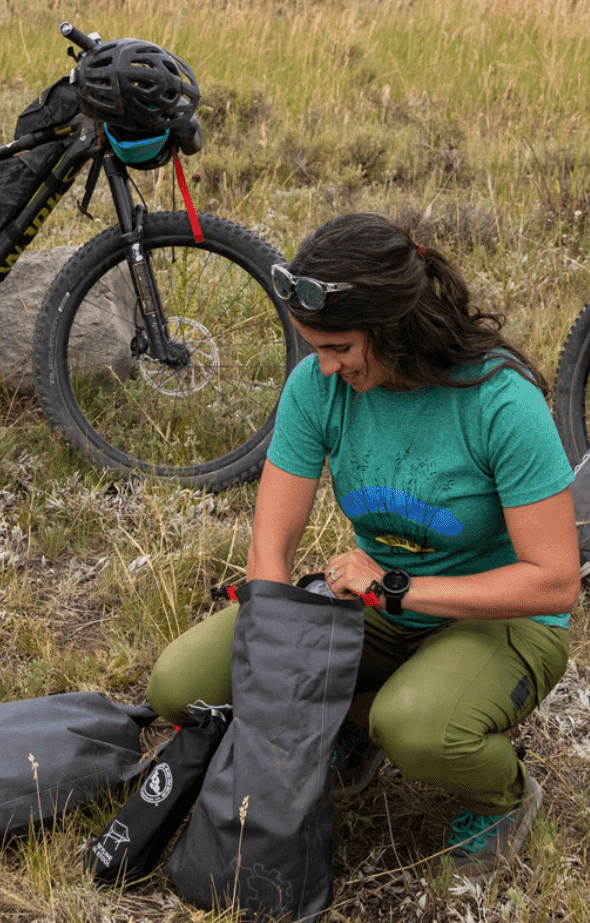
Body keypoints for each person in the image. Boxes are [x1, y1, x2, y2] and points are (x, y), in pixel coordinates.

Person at [147, 213, 580, 885]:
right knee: (179, 685)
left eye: (339, 347)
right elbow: (271, 549)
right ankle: (348, 723)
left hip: (502, 617)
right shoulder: (318, 386)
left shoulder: (499, 401)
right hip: (376, 608)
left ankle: (504, 796)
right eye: (315, 347)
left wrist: (401, 589)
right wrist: (273, 665)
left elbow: (554, 582)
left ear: (394, 326)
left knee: (414, 726)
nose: (325, 366)